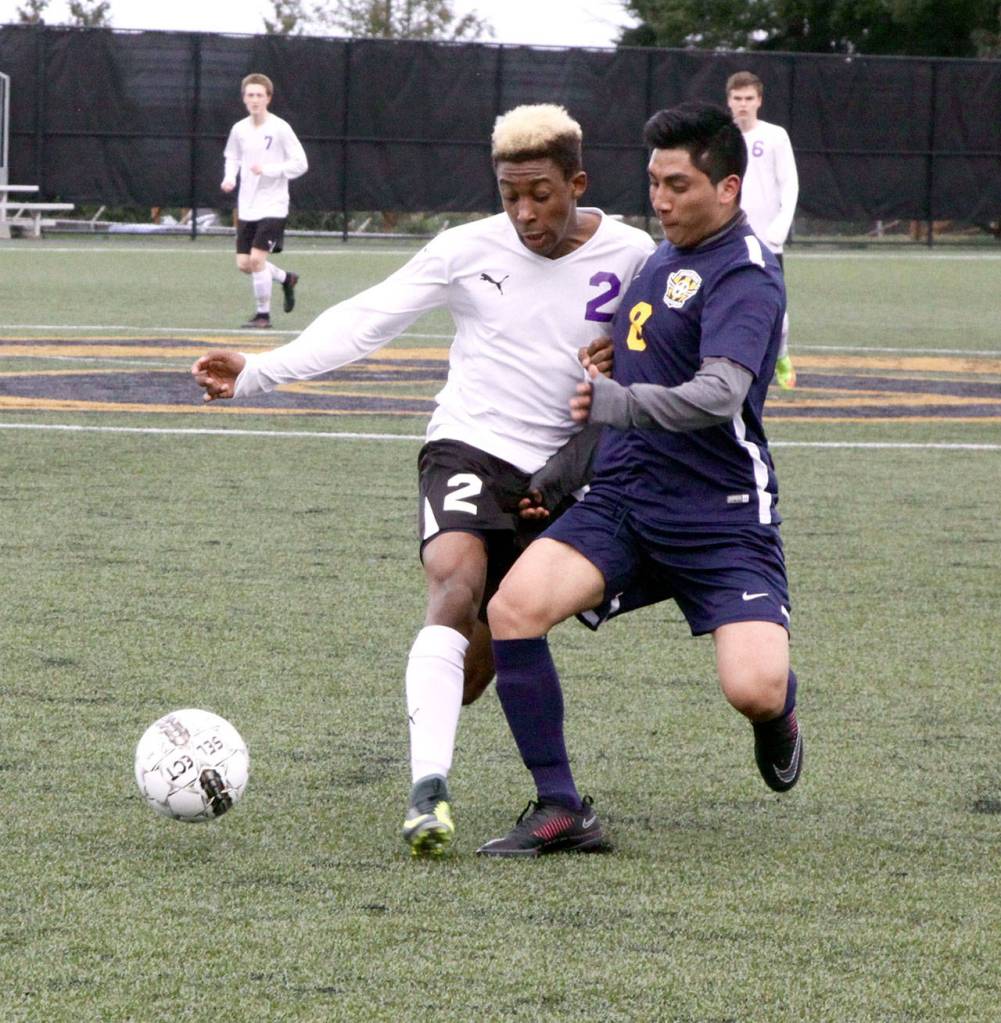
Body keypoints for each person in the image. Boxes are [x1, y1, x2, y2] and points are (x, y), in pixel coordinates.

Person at [191, 103, 656, 857]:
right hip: (468, 446)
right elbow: (368, 317)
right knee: (453, 581)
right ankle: (426, 794)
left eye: (540, 194)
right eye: (509, 195)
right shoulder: (465, 249)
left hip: (559, 477)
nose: (524, 213)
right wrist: (259, 372)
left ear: (577, 183)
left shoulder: (633, 254)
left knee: (474, 670)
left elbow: (657, 355)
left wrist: (623, 364)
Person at [477, 101, 802, 858]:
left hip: (720, 512)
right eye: (654, 183)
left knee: (752, 688)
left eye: (678, 185)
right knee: (513, 609)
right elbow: (638, 358)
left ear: (728, 188)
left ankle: (779, 712)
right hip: (626, 497)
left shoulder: (747, 273)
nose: (661, 200)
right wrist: (605, 374)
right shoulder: (661, 256)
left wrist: (618, 398)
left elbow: (719, 393)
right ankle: (562, 807)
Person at [725, 71, 799, 389]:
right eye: (737, 98)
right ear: (729, 101)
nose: (743, 104)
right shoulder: (721, 137)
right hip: (728, 237)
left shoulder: (775, 136)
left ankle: (781, 355)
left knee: (775, 306)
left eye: (749, 98)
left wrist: (779, 227)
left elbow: (789, 183)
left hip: (766, 240)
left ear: (759, 101)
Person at [221, 73, 308, 330]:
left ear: (268, 98)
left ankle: (263, 316)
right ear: (244, 98)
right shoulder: (239, 129)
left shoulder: (280, 128)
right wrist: (229, 178)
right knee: (244, 264)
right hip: (247, 205)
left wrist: (269, 170)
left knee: (257, 260)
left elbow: (300, 164)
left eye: (259, 95)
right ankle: (286, 278)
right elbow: (232, 157)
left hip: (273, 205)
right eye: (250, 95)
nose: (255, 100)